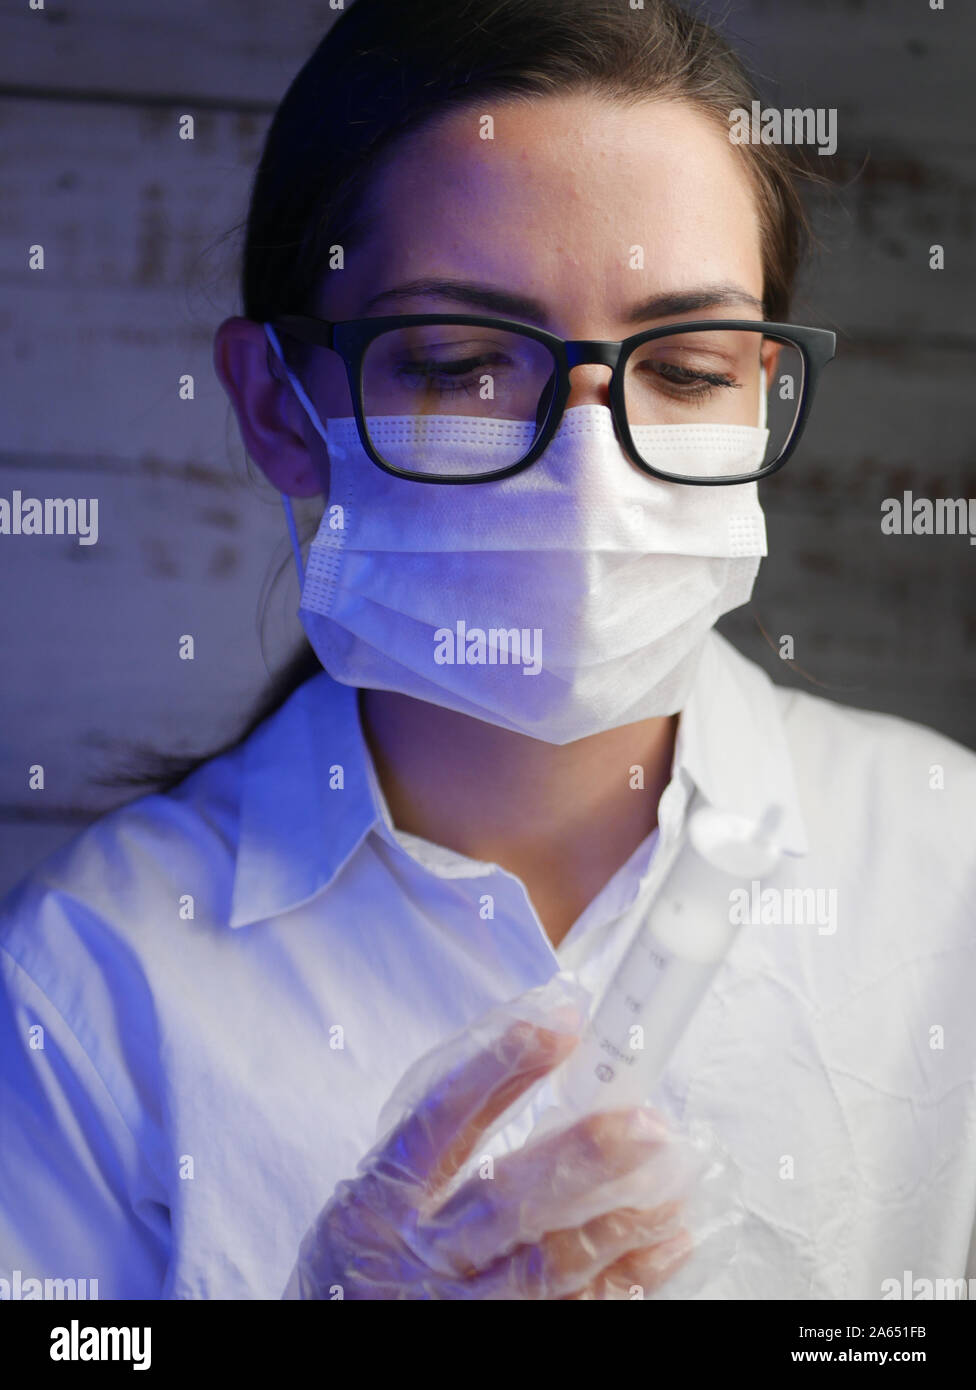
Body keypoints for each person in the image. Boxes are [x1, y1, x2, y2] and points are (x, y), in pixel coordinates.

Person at [2, 0, 974, 1302]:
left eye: (685, 366)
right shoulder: (87, 984)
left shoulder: (945, 868)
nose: (588, 466)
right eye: (461, 363)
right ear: (278, 407)